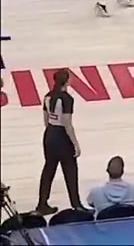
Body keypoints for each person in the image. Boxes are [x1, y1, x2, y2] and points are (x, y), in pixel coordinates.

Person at [36, 69, 82, 215]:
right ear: (67, 81)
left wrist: (52, 132)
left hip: (50, 134)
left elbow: (46, 120)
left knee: (49, 169)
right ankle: (76, 205)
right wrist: (75, 143)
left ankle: (42, 204)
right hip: (62, 136)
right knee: (70, 170)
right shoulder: (67, 99)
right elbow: (67, 124)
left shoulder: (47, 96)